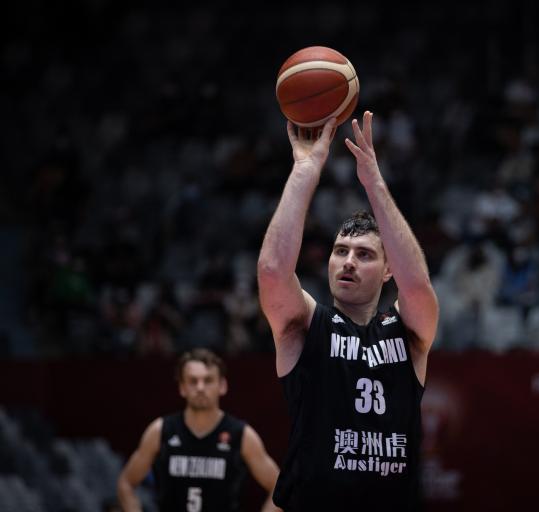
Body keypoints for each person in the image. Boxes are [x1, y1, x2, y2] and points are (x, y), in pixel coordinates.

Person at [257, 112, 439, 511]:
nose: (348, 261)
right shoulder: (308, 326)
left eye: (365, 254)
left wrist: (373, 182)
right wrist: (306, 169)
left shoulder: (406, 332)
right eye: (341, 251)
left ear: (389, 269)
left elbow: (418, 286)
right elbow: (272, 271)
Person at [117, 348, 281, 512]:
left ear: (222, 386)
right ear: (182, 387)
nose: (200, 387)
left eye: (208, 380)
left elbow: (280, 488)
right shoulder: (160, 430)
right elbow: (126, 483)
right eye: (193, 381)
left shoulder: (242, 434)